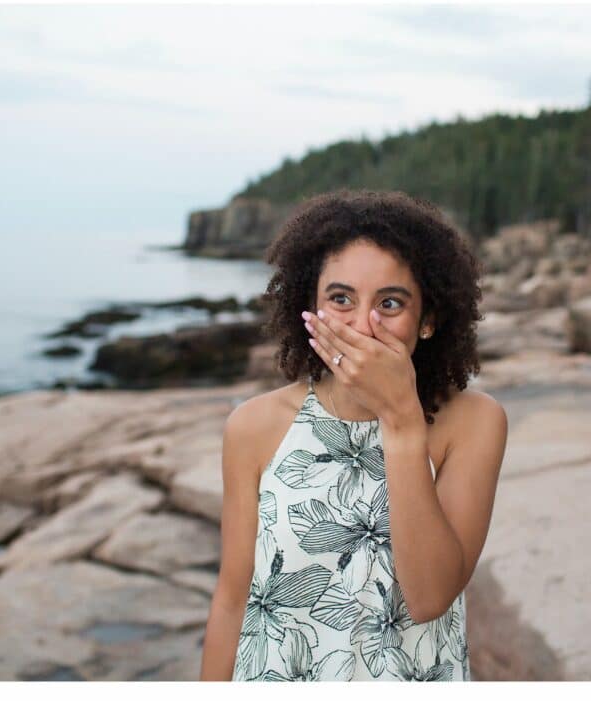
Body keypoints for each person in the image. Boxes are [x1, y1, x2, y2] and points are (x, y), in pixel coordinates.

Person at [199, 188, 507, 681]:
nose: (364, 325)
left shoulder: (472, 422)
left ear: (427, 320)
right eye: (340, 298)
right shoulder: (253, 427)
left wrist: (402, 419)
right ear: (310, 308)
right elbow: (233, 601)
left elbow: (429, 597)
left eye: (390, 302)